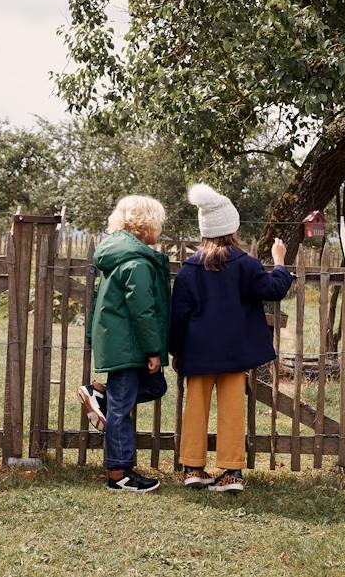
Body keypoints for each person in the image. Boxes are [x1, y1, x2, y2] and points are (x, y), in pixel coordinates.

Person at [170, 184, 293, 493]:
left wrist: (175, 351)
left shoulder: (188, 271)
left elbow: (178, 317)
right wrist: (280, 261)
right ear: (233, 228)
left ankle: (192, 468)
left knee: (195, 408)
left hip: (197, 353)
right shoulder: (247, 266)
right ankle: (232, 473)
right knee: (232, 410)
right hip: (235, 354)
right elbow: (274, 289)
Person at [78, 195, 170, 493]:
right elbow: (143, 311)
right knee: (121, 408)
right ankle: (120, 474)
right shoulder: (136, 262)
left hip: (119, 342)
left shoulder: (118, 254)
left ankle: (99, 394)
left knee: (155, 388)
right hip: (129, 345)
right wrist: (154, 350)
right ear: (146, 225)